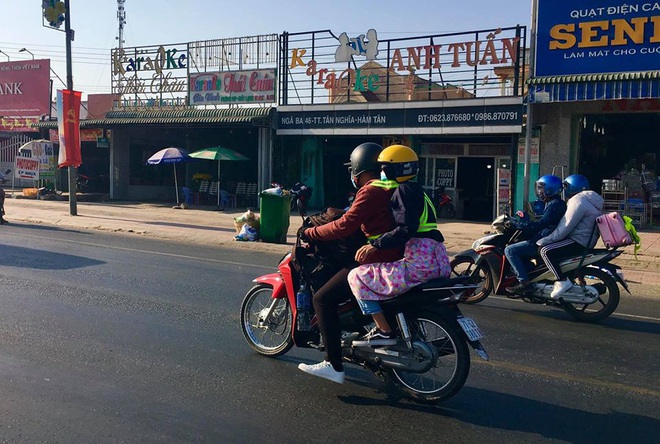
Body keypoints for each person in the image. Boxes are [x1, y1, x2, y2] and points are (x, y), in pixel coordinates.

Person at [297, 142, 403, 384]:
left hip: (378, 258)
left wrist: (312, 233)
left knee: (322, 298)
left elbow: (344, 225)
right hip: (399, 254)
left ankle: (333, 365)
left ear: (358, 168)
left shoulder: (370, 190)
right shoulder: (393, 187)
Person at [347, 145, 450, 347]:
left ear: (393, 169)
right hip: (438, 258)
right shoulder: (420, 189)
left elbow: (405, 229)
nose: (381, 173)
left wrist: (375, 245)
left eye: (383, 168)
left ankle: (384, 331)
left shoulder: (402, 190)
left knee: (357, 276)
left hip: (420, 263)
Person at [536, 174, 604, 298]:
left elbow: (566, 226)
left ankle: (561, 280)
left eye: (566, 186)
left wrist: (545, 239)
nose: (564, 189)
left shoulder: (578, 201)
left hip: (578, 240)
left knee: (545, 250)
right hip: (587, 240)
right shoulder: (590, 200)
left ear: (572, 186)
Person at [504, 175, 567, 295]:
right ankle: (530, 273)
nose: (539, 191)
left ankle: (524, 283)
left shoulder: (554, 205)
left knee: (510, 250)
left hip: (546, 237)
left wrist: (523, 225)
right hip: (547, 235)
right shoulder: (555, 203)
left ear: (549, 189)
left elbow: (543, 223)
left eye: (541, 188)